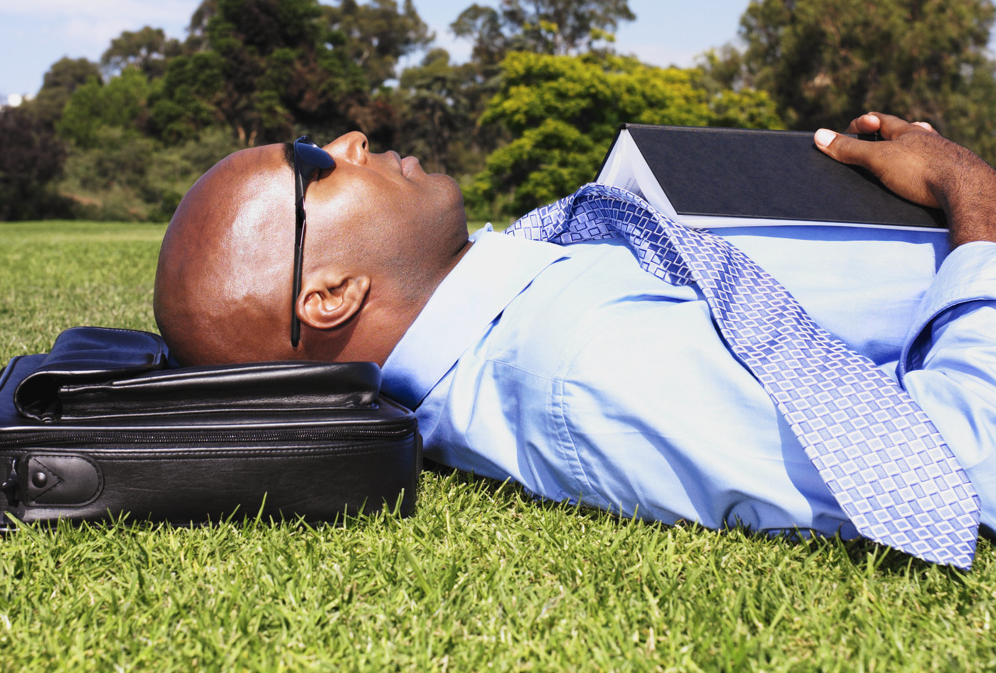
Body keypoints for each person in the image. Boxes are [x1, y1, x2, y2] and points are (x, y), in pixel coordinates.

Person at [153, 113, 996, 545]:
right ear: (329, 296)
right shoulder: (582, 368)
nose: (350, 139)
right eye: (312, 163)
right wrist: (973, 195)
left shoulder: (509, 285)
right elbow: (964, 463)